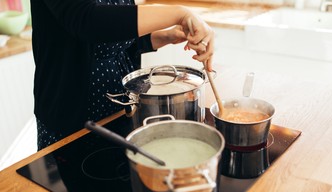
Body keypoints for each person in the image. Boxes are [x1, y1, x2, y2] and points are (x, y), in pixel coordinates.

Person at [31, 0, 215, 150]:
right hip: (71, 125)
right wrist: (179, 13)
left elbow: (116, 41)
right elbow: (87, 21)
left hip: (120, 113)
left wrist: (164, 37)